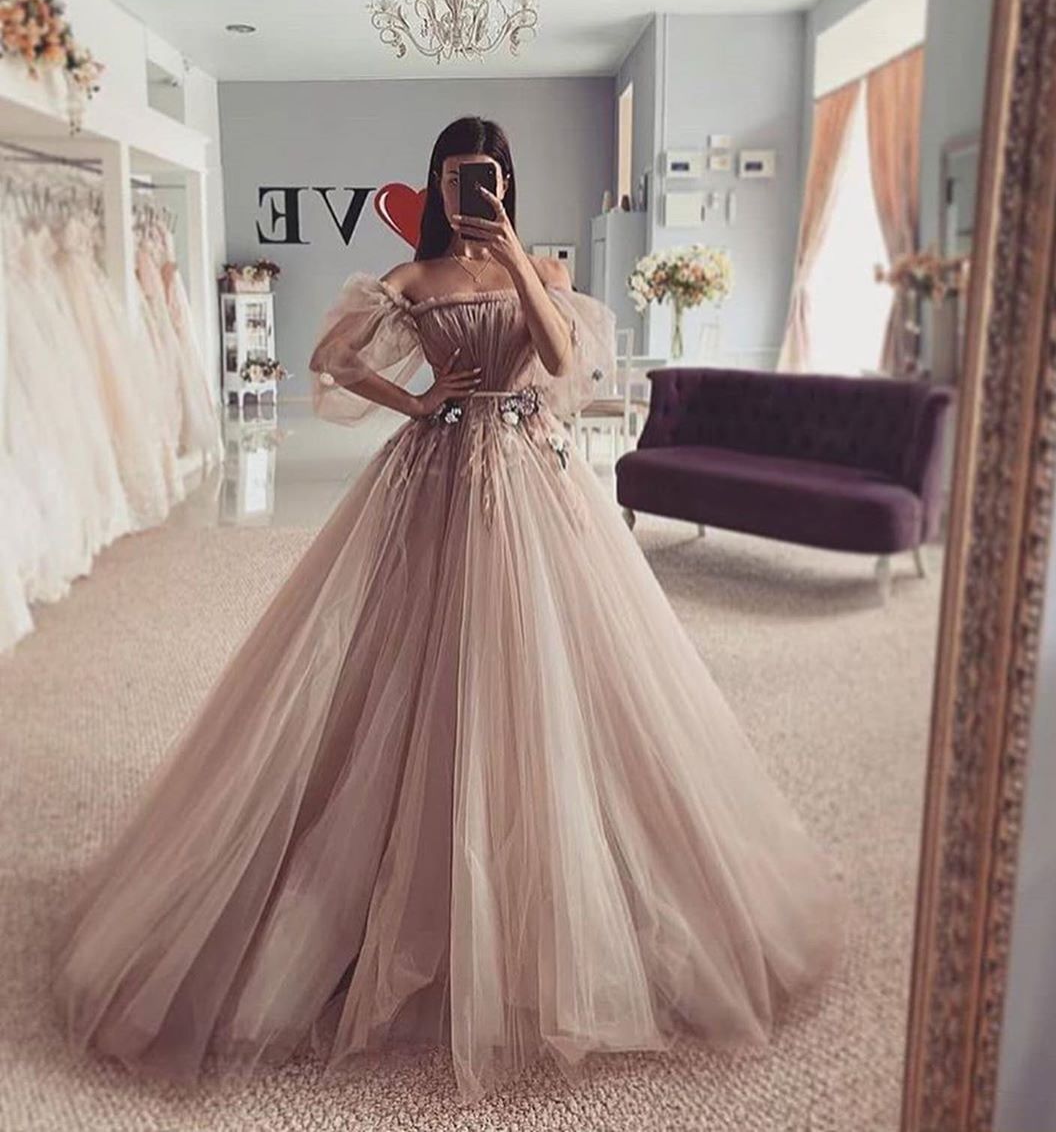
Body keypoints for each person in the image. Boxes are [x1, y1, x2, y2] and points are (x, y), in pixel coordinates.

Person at [52, 116, 842, 1105]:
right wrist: (417, 401)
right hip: (434, 474)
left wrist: (511, 255)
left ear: (507, 183)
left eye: (490, 176)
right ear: (434, 184)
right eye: (459, 177)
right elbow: (332, 360)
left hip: (533, 477)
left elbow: (560, 360)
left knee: (555, 671)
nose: (475, 190)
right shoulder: (411, 278)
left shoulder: (540, 269)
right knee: (407, 666)